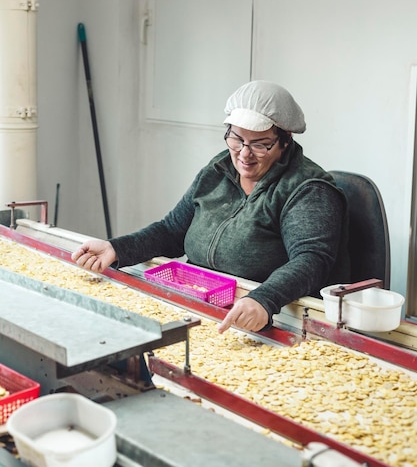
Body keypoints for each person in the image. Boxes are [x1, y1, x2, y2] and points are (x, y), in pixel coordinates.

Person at [72, 80, 350, 334]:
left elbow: (311, 260)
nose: (244, 154)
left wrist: (265, 299)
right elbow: (172, 231)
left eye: (260, 145)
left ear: (285, 141)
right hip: (199, 301)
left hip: (262, 316)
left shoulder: (308, 189)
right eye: (237, 139)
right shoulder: (219, 170)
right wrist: (117, 248)